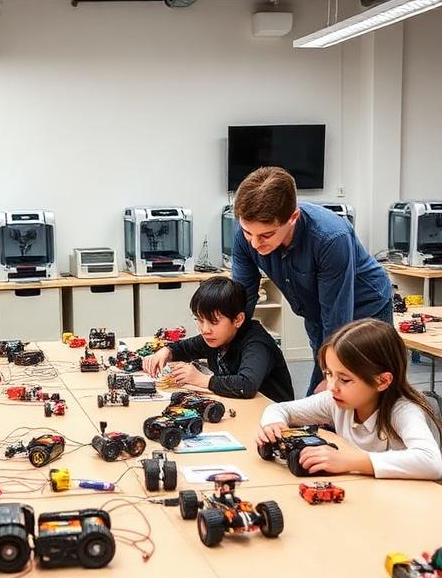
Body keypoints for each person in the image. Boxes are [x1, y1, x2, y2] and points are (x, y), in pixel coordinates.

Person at [231, 166, 393, 394]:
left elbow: (337, 317)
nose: (255, 244)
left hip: (366, 308)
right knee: (324, 393)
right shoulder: (244, 233)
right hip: (317, 312)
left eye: (266, 235)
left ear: (293, 217)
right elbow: (241, 299)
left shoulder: (330, 238)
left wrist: (329, 378)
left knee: (362, 391)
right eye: (249, 233)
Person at [256, 318, 442, 479]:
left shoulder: (403, 411)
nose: (331, 386)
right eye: (329, 374)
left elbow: (432, 462)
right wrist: (274, 425)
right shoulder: (334, 399)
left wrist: (349, 461)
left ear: (383, 381)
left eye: (345, 379)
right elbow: (280, 409)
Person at [142, 276, 294, 402]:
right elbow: (185, 348)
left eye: (214, 321)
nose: (205, 330)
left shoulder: (257, 343)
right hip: (238, 406)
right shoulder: (216, 336)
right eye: (199, 320)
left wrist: (201, 379)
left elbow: (246, 385)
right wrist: (165, 352)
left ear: (238, 319)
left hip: (271, 416)